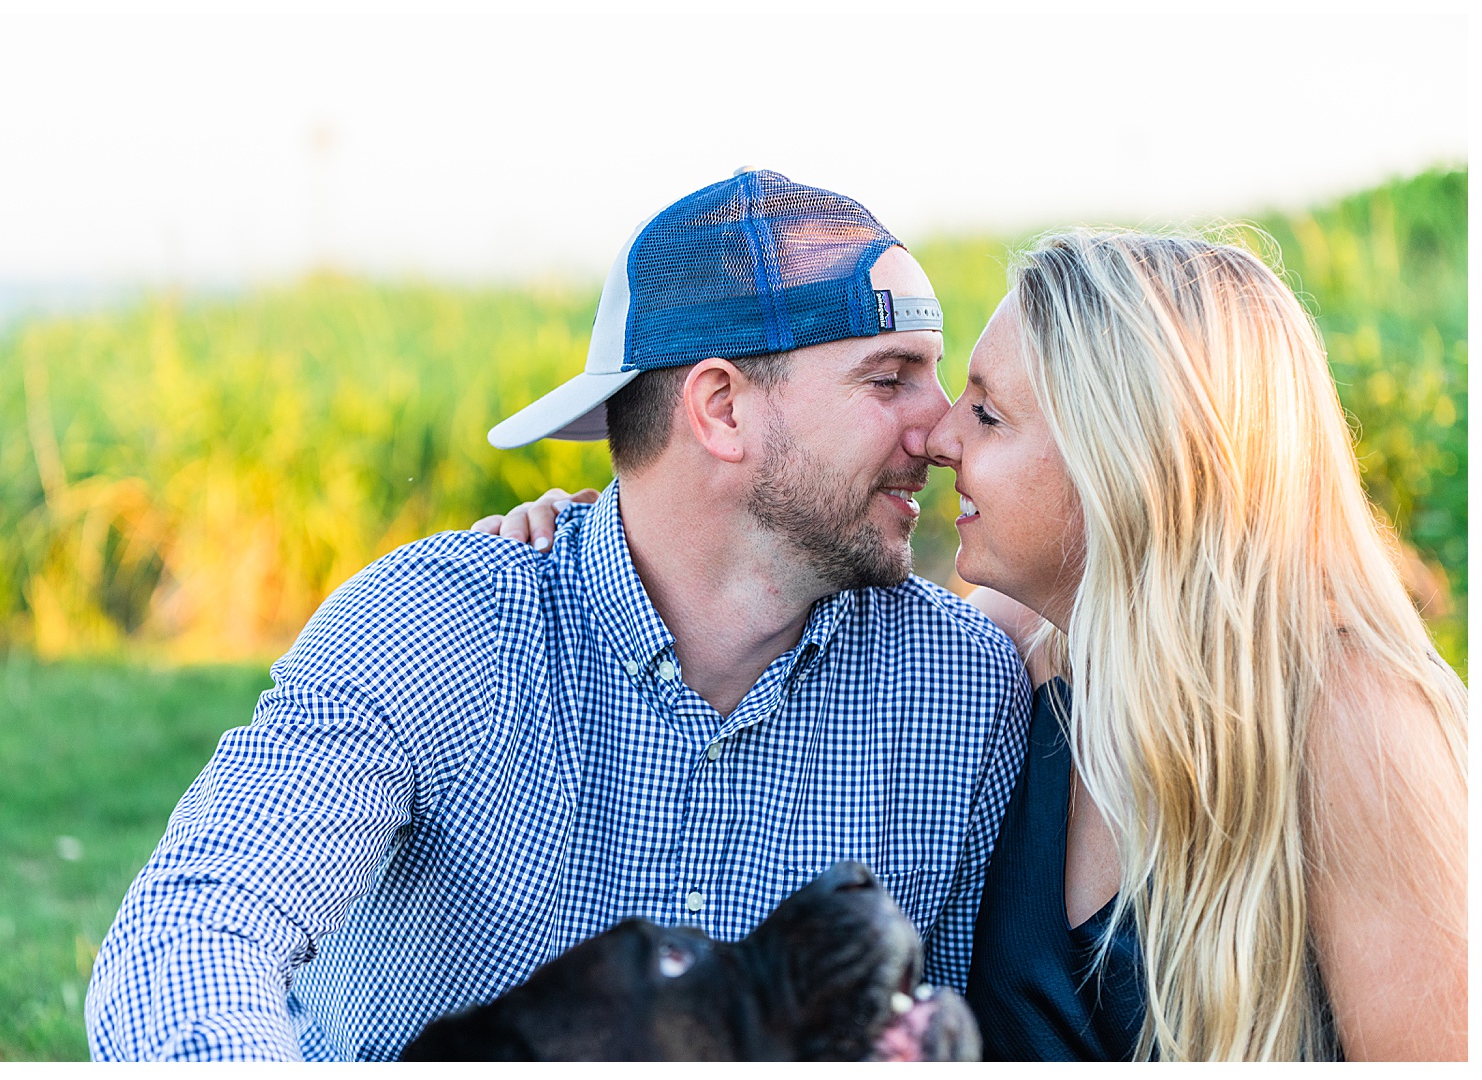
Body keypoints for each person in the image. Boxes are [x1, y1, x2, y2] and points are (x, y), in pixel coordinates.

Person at [83, 170, 1031, 1061]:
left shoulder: (964, 688)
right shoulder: (439, 626)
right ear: (721, 410)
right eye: (890, 376)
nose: (942, 429)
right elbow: (199, 923)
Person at [488, 228, 1468, 1060]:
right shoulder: (1011, 658)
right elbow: (746, 587)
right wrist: (600, 541)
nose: (938, 437)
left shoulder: (1351, 724)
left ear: (1128, 464)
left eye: (988, 412)